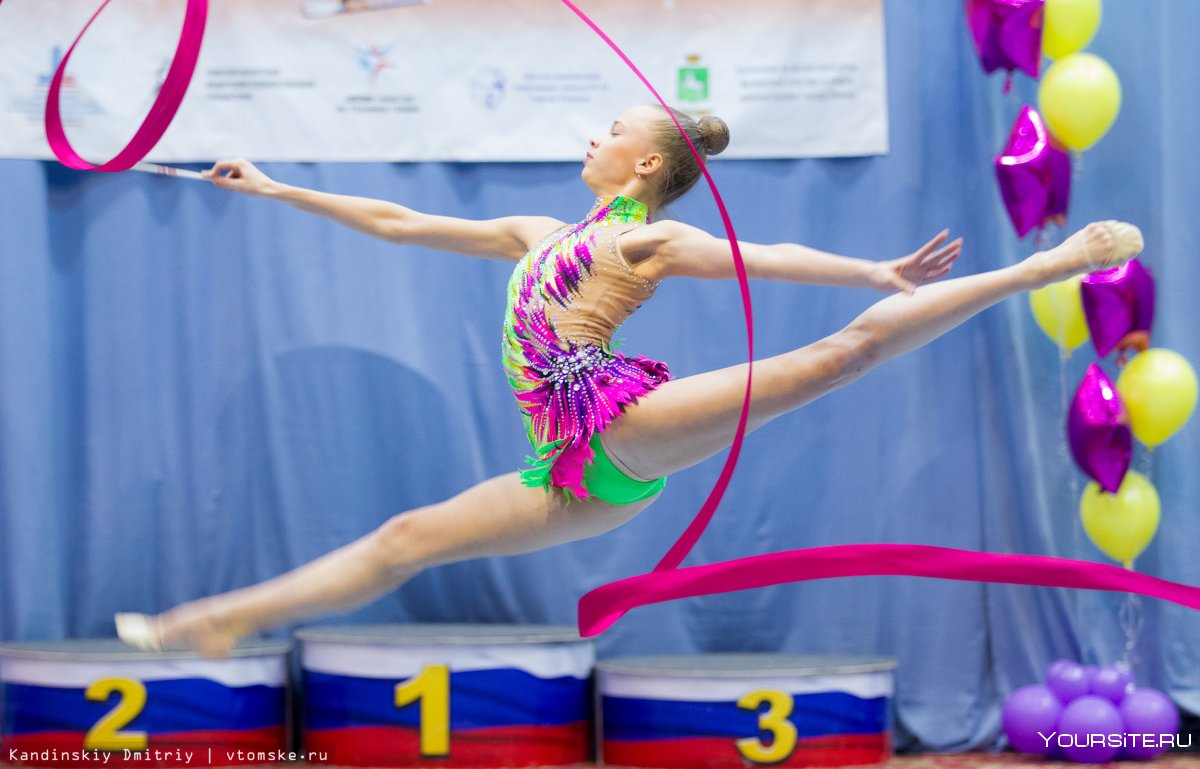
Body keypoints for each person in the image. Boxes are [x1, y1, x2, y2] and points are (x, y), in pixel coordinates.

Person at [115, 104, 1143, 658]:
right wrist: (275, 187)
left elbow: (768, 251)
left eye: (610, 129)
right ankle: (222, 619)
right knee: (402, 542)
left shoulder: (651, 242)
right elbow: (397, 222)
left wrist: (870, 271)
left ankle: (1042, 266)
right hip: (565, 468)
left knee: (838, 354)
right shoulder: (535, 232)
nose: (591, 137)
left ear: (645, 167)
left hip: (622, 419)